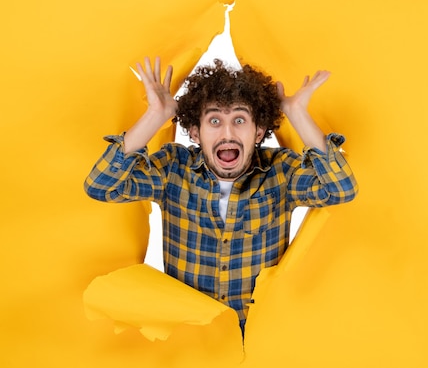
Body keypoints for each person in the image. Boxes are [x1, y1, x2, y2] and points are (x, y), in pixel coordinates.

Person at [84, 57, 358, 333]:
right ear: (195, 132)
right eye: (214, 120)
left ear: (259, 131)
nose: (227, 132)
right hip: (190, 338)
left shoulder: (280, 172)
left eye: (239, 119)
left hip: (260, 337)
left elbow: (340, 189)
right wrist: (156, 115)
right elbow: (102, 185)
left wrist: (297, 112)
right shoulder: (173, 168)